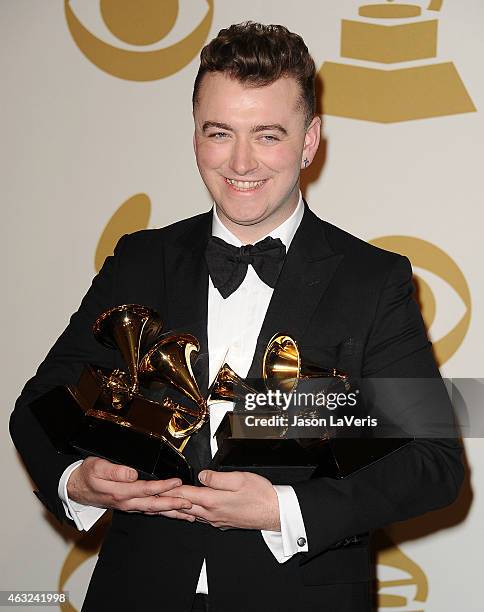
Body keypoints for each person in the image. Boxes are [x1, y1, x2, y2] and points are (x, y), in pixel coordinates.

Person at [10, 22, 463, 612]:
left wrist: (283, 509)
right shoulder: (140, 261)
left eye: (268, 135)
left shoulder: (374, 281)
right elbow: (42, 404)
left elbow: (433, 460)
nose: (241, 161)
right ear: (195, 136)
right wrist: (76, 477)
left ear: (309, 140)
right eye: (219, 132)